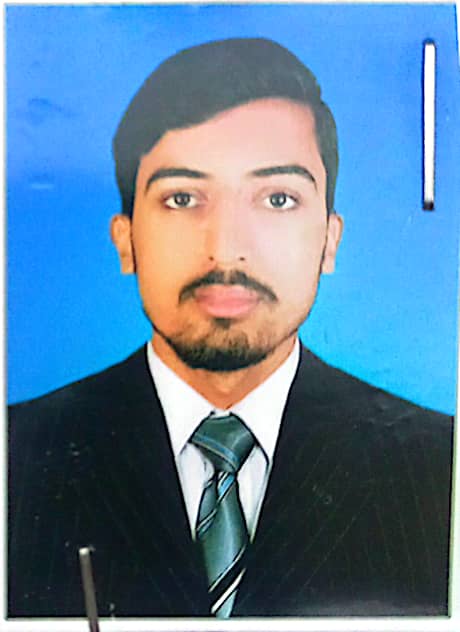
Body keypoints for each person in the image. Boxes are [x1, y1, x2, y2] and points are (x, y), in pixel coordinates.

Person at [8, 37, 452, 619]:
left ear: (329, 240)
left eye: (277, 198)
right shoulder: (16, 460)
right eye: (183, 198)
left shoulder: (439, 470)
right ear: (126, 240)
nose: (226, 249)